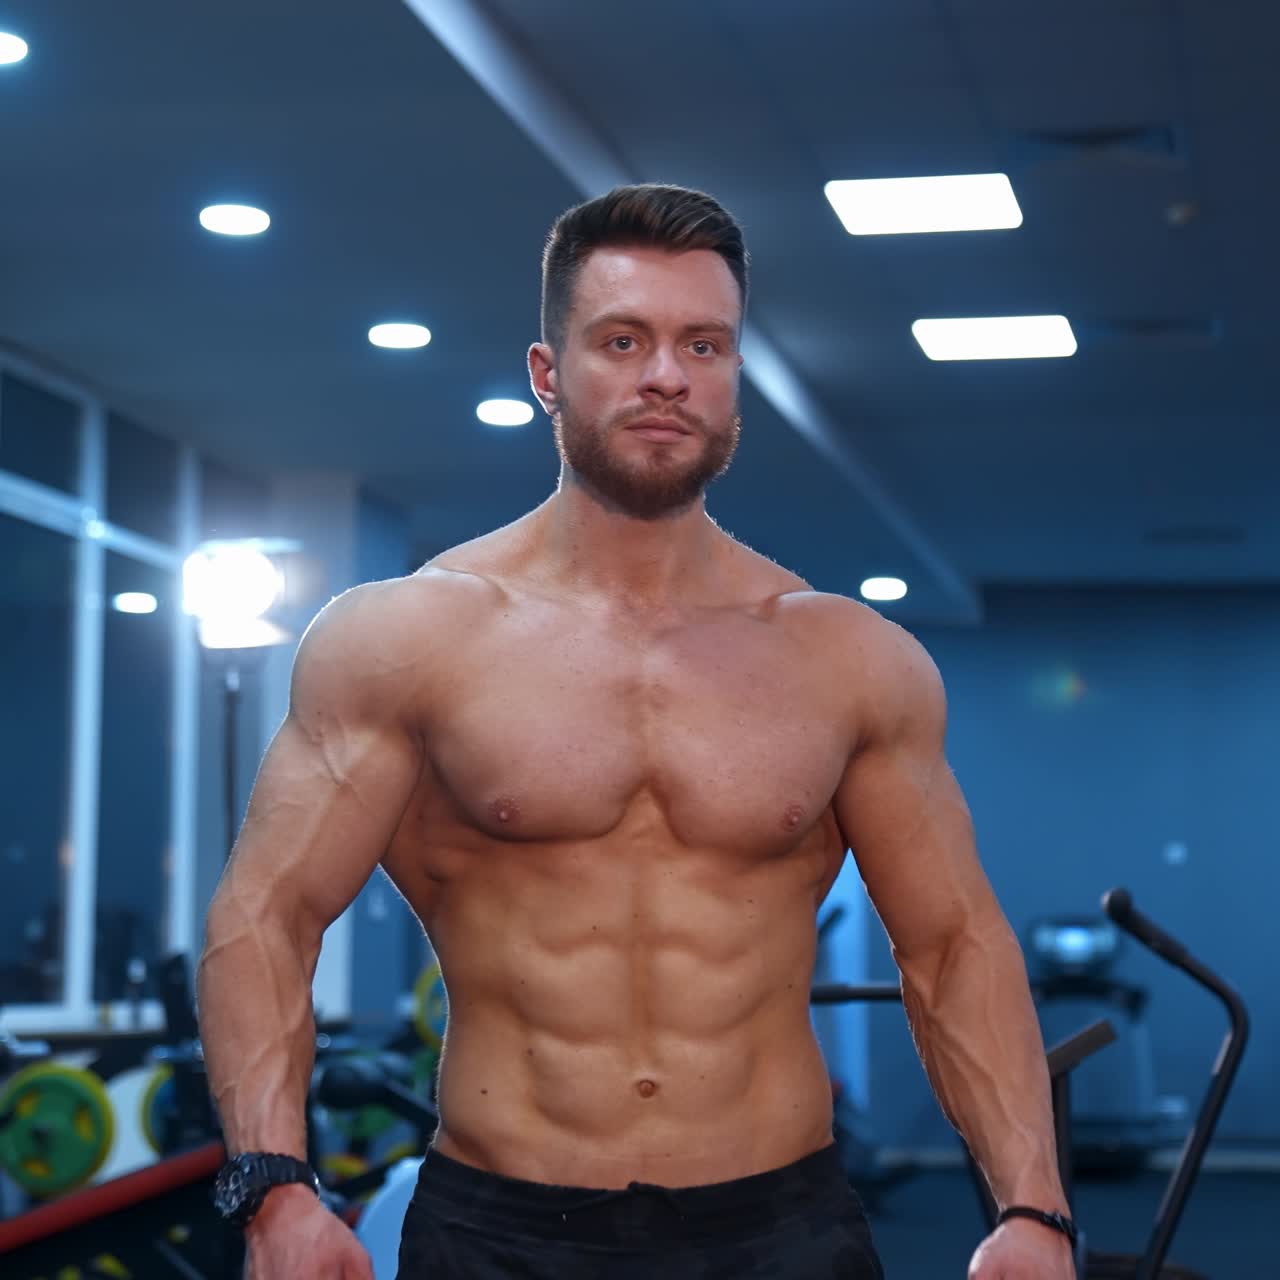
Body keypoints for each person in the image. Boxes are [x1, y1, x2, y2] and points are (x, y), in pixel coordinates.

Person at [196, 184, 1076, 1279]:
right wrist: (272, 1184)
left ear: (733, 378)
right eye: (623, 339)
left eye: (702, 345)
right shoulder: (409, 638)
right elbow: (266, 916)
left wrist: (1033, 1207)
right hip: (501, 1232)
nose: (667, 374)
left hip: (780, 1230)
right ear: (546, 374)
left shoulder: (847, 658)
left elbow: (951, 944)